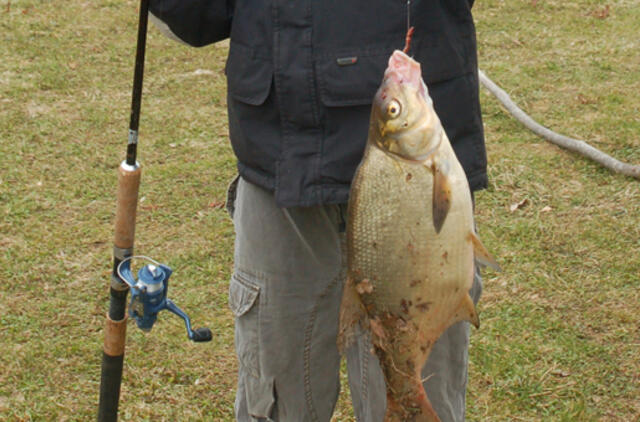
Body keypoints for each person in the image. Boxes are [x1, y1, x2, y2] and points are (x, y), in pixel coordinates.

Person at [148, 1, 487, 421]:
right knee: (277, 402)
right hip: (282, 170)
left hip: (421, 175)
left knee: (421, 394)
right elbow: (192, 17)